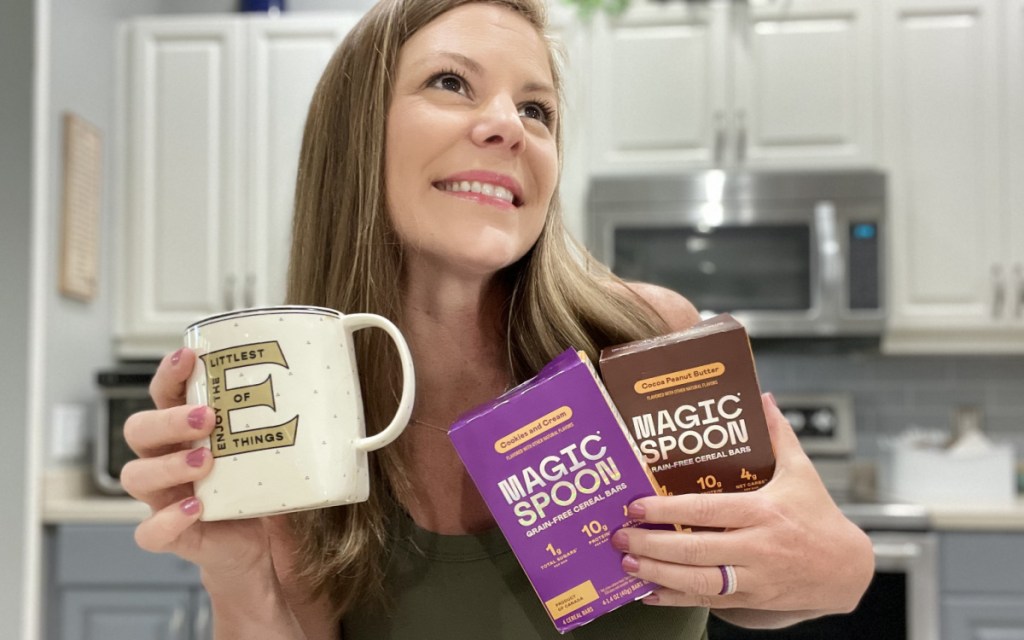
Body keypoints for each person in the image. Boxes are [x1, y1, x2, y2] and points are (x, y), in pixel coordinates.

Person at [122, 0, 875, 637]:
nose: (509, 126)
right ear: (355, 136)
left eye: (536, 109)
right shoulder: (302, 421)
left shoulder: (641, 338)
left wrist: (824, 566)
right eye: (451, 82)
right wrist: (242, 576)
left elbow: (816, 577)